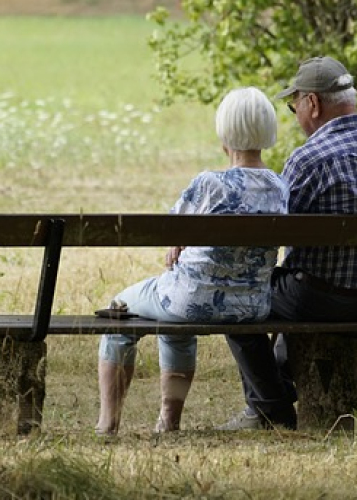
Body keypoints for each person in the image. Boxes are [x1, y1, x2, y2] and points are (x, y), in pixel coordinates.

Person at [219, 56, 357, 430]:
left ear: (312, 103)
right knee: (294, 284)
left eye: (294, 107)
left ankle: (270, 409)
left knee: (235, 297)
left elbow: (273, 233)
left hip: (317, 299)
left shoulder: (308, 159)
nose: (296, 116)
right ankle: (274, 397)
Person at [96, 87, 288, 435]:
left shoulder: (209, 183)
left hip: (191, 301)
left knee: (118, 310)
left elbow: (170, 231)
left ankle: (107, 424)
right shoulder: (280, 186)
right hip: (252, 307)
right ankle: (168, 421)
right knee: (172, 316)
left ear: (224, 134)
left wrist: (178, 244)